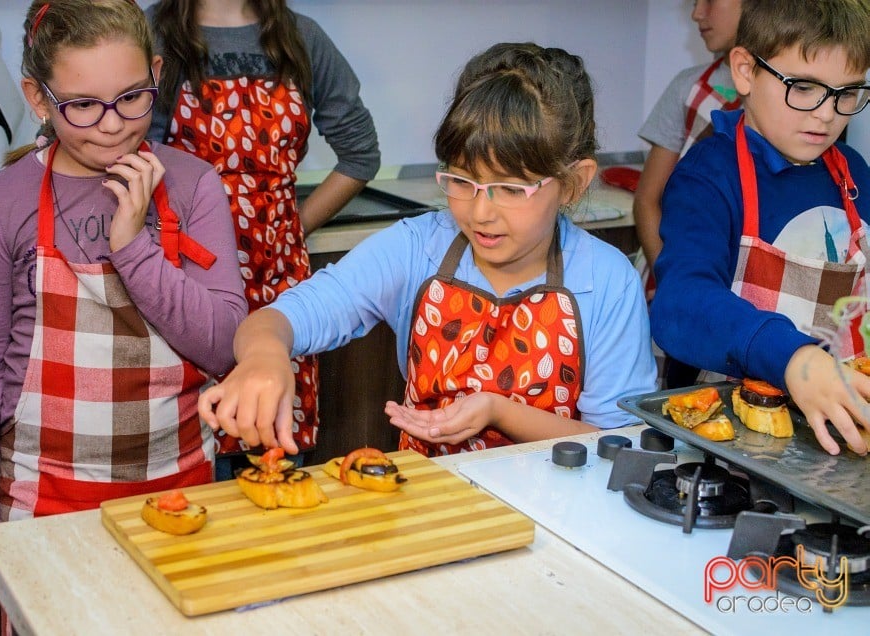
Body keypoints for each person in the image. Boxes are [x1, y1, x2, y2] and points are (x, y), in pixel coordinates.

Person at [198, 43, 657, 457]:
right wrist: (264, 355)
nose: (481, 213)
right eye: (461, 181)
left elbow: (616, 444)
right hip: (429, 505)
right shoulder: (419, 246)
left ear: (574, 183)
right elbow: (281, 318)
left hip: (557, 517)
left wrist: (499, 412)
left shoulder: (607, 280)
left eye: (512, 189)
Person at [0, 0, 248, 601]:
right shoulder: (5, 202)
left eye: (132, 97)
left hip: (180, 493)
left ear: (157, 74)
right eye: (83, 105)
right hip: (41, 501)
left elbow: (222, 343)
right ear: (39, 99)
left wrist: (133, 245)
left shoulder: (193, 186)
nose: (112, 125)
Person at [146, 0, 380, 466]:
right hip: (189, 278)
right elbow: (135, 153)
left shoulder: (301, 37)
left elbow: (361, 154)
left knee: (272, 456)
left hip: (278, 280)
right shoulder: (153, 33)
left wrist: (294, 226)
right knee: (196, 452)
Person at [650, 0, 870, 456]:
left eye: (848, 93)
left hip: (839, 434)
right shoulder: (709, 176)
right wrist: (794, 358)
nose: (827, 114)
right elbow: (680, 304)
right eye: (804, 87)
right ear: (746, 71)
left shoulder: (854, 174)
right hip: (734, 443)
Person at [635, 0, 742, 389]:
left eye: (710, 0)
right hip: (677, 273)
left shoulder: (793, 100)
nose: (698, 13)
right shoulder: (690, 88)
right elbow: (648, 200)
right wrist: (674, 282)